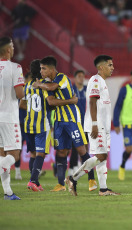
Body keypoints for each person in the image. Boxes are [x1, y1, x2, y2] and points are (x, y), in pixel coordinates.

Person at [32, 56, 95, 193]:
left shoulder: (62, 78)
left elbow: (53, 87)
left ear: (51, 69)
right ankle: (60, 184)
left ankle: (92, 180)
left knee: (81, 150)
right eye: (40, 68)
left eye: (44, 68)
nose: (41, 71)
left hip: (72, 119)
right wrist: (71, 101)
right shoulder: (47, 83)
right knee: (61, 151)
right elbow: (51, 102)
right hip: (59, 121)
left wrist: (39, 84)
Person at [66, 55, 120, 196]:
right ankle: (73, 178)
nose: (112, 68)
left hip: (104, 126)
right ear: (101, 67)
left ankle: (103, 189)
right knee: (101, 156)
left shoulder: (102, 81)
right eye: (110, 65)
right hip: (98, 125)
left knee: (103, 157)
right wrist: (95, 124)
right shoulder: (96, 80)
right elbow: (92, 102)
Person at [20, 59, 77, 192]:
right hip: (42, 125)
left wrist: (32, 109)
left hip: (28, 125)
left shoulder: (27, 86)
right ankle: (33, 181)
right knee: (41, 154)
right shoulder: (44, 86)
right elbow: (51, 103)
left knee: (33, 154)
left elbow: (21, 105)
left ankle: (36, 182)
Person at [0, 36, 25, 200]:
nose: (14, 49)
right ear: (8, 50)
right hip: (9, 117)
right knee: (14, 155)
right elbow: (19, 94)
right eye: (13, 47)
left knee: (2, 155)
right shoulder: (15, 67)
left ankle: (8, 192)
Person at [113, 68, 132, 182]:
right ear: (131, 77)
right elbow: (117, 107)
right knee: (129, 149)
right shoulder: (124, 90)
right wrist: (116, 123)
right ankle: (122, 166)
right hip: (128, 126)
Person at [68, 70, 89, 179]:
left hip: (86, 123)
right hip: (74, 122)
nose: (81, 78)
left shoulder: (87, 89)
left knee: (85, 146)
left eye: (83, 76)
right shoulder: (71, 90)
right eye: (79, 76)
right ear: (75, 78)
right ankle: (73, 166)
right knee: (75, 146)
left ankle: (82, 167)